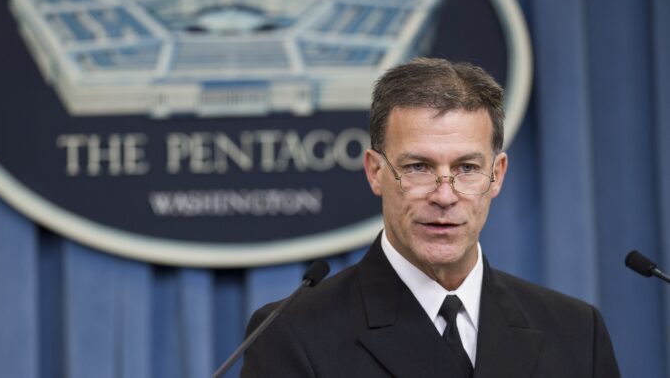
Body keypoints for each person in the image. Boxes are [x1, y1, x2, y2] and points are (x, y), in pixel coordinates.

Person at [241, 58, 620, 377]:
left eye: (467, 167)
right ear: (375, 172)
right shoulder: (292, 334)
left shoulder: (576, 331)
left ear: (497, 175)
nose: (444, 195)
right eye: (419, 167)